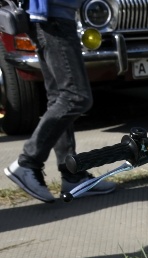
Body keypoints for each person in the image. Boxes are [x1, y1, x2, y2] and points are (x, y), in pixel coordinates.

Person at [4, 0, 116, 203]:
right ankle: (28, 162)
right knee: (76, 97)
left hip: (49, 18)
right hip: (53, 18)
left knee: (59, 97)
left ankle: (72, 176)